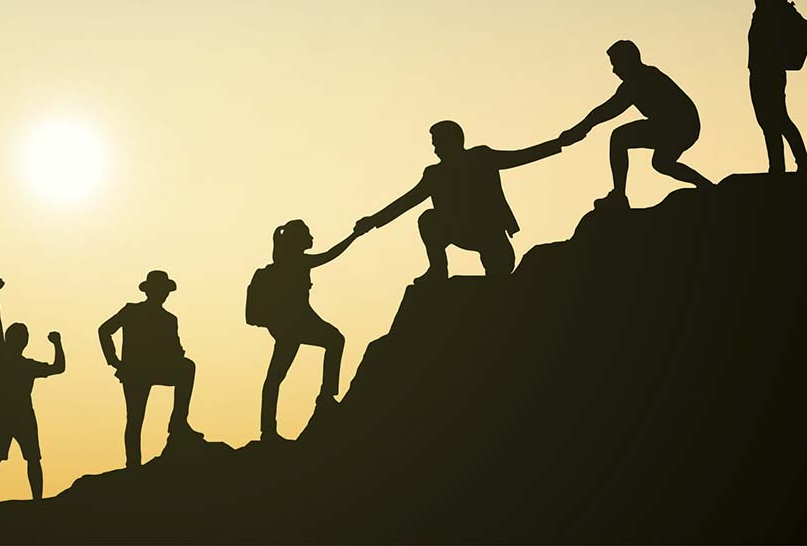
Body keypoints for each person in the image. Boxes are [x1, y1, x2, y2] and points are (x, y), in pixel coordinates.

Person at [355, 121, 565, 283]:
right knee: (429, 219)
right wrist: (373, 220)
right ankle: (438, 270)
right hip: (458, 231)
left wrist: (560, 143)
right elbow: (407, 201)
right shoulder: (434, 174)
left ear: (453, 141)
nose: (435, 149)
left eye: (438, 143)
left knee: (499, 273)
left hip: (489, 233)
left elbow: (522, 156)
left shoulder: (481, 157)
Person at [561, 40, 713, 207]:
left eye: (616, 64)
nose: (614, 70)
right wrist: (581, 129)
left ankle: (619, 194)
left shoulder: (640, 80)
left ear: (628, 60)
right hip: (681, 126)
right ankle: (706, 185)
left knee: (619, 138)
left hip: (678, 126)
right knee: (662, 163)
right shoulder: (639, 79)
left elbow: (607, 110)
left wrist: (580, 129)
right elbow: (606, 110)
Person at [256, 221, 358, 442]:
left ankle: (268, 429)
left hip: (294, 324)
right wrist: (354, 236)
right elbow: (331, 254)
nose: (311, 238)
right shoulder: (297, 262)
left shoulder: (290, 262)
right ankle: (326, 396)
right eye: (307, 235)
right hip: (296, 323)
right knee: (334, 340)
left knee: (275, 377)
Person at [0, 277, 65, 503]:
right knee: (7, 458)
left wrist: (58, 343)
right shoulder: (9, 360)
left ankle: (31, 501)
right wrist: (57, 343)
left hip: (18, 415)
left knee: (25, 459)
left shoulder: (20, 364)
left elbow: (58, 368)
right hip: (13, 414)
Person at [98, 270, 200, 468]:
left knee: (187, 368)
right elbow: (104, 330)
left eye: (165, 291)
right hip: (136, 372)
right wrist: (114, 360)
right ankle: (133, 464)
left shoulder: (169, 319)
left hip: (153, 368)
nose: (163, 294)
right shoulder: (131, 311)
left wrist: (176, 354)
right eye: (161, 290)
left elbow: (174, 348)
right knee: (135, 418)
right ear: (151, 291)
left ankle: (178, 422)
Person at [743, 0, 807, 173]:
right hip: (773, 71)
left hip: (763, 71)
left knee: (772, 120)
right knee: (777, 119)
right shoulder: (782, 8)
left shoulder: (766, 4)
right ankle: (789, 164)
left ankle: (789, 165)